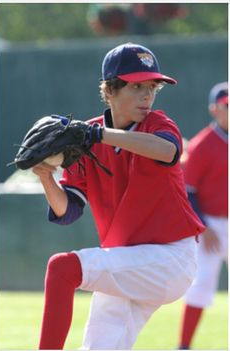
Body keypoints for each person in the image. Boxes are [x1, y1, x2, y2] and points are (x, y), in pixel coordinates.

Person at [33, 42, 205, 350]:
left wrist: (98, 135)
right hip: (127, 262)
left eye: (152, 87)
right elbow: (68, 211)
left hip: (170, 258)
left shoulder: (156, 124)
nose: (147, 95)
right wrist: (46, 177)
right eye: (137, 86)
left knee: (63, 268)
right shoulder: (86, 137)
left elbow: (168, 151)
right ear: (109, 91)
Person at [178, 82, 228, 350]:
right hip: (212, 224)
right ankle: (184, 345)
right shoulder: (203, 144)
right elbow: (187, 190)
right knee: (201, 285)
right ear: (214, 109)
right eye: (227, 106)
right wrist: (203, 226)